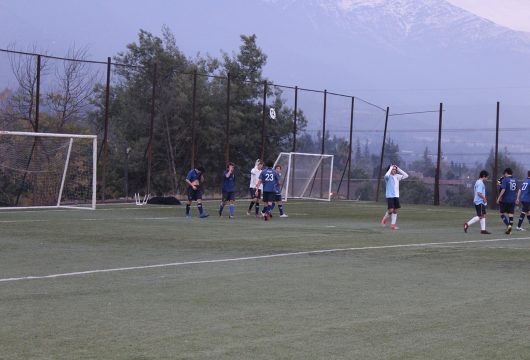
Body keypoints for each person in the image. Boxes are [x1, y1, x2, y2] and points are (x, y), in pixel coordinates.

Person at [381, 164, 408, 230]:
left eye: (395, 170)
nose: (394, 171)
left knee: (395, 211)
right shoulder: (387, 177)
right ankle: (384, 219)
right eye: (393, 169)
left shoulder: (397, 176)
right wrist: (390, 168)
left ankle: (392, 226)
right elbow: (386, 175)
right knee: (391, 210)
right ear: (390, 170)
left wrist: (398, 169)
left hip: (396, 195)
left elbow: (406, 175)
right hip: (389, 195)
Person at [464, 170, 491, 234]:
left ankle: (483, 230)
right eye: (487, 177)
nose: (487, 178)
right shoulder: (480, 183)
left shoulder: (477, 182)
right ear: (484, 176)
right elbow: (479, 193)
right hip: (480, 201)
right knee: (480, 216)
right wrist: (484, 198)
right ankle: (467, 224)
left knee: (483, 215)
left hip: (478, 201)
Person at [496, 167, 517, 234]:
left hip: (505, 200)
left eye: (504, 174)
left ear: (506, 173)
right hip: (512, 200)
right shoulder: (514, 180)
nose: (504, 175)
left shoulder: (505, 179)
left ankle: (508, 226)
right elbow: (515, 190)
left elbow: (503, 189)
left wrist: (499, 198)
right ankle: (510, 227)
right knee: (511, 215)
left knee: (502, 214)